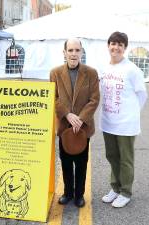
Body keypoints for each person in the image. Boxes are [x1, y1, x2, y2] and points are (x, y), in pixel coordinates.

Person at [99, 31, 147, 208]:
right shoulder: (104, 68)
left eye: (120, 44)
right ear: (108, 46)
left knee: (125, 159)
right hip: (108, 122)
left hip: (126, 124)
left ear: (125, 48)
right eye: (113, 43)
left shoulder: (132, 69)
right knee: (112, 156)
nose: (116, 47)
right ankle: (115, 188)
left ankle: (126, 192)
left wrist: (132, 114)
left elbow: (142, 94)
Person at [50, 38, 100, 207]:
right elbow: (53, 97)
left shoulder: (91, 73)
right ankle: (68, 193)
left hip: (83, 127)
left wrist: (81, 118)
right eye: (70, 50)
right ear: (64, 52)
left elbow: (94, 99)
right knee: (65, 162)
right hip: (64, 126)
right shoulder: (55, 73)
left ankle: (79, 195)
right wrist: (67, 114)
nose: (73, 54)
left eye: (77, 50)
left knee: (81, 162)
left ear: (81, 52)